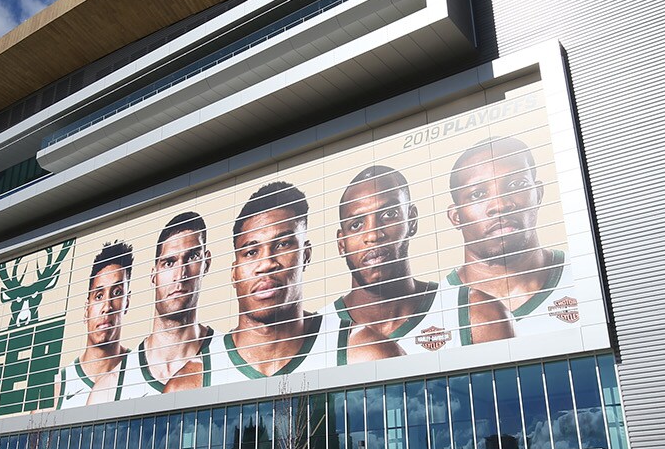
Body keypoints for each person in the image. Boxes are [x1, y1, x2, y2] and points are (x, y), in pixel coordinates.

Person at [327, 165, 512, 362]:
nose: (373, 235)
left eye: (389, 215)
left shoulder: (477, 316)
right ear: (341, 244)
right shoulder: (315, 334)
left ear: (412, 220)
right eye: (356, 225)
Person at [444, 136, 578, 327]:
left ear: (538, 195)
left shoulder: (585, 274)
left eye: (516, 184)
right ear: (456, 216)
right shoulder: (434, 307)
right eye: (478, 194)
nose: (500, 204)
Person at [214, 181, 340, 381]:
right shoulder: (192, 380)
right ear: (234, 273)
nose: (266, 263)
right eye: (251, 252)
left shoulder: (361, 353)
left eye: (282, 244)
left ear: (306, 255)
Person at [130, 211, 215, 393]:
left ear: (206, 263)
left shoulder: (226, 360)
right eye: (169, 263)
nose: (180, 275)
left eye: (191, 258)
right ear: (154, 274)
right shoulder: (112, 385)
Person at [59, 241, 138, 405]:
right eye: (99, 296)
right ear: (87, 308)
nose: (107, 307)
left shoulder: (139, 371)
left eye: (116, 293)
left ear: (127, 303)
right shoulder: (59, 385)